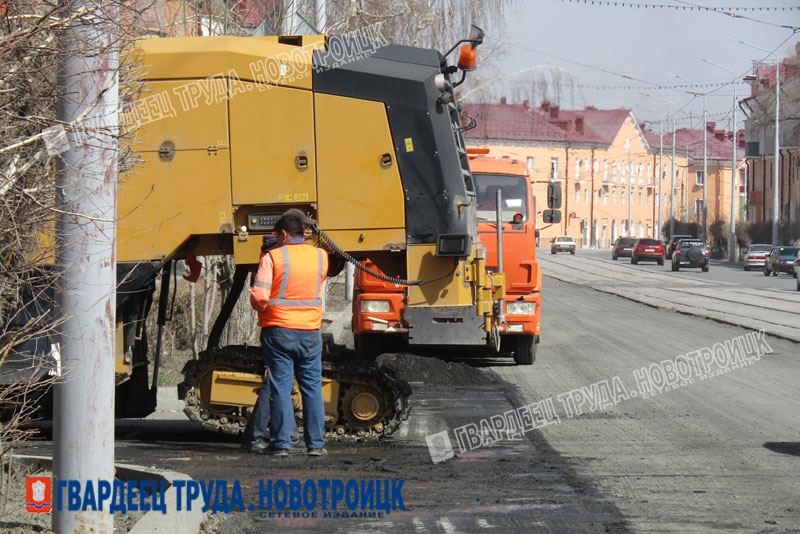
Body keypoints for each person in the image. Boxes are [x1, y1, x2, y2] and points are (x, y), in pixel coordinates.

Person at [246, 209, 329, 456]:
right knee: (312, 388)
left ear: (282, 234)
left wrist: (258, 305)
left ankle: (281, 445)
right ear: (303, 232)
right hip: (311, 332)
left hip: (279, 331)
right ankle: (315, 446)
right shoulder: (321, 256)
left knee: (281, 387)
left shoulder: (272, 258)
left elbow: (261, 297)